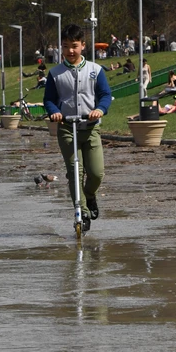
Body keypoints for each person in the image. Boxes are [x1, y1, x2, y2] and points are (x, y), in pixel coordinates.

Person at [44, 24, 113, 232]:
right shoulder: (55, 74)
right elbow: (49, 100)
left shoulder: (96, 70)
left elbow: (105, 95)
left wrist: (100, 110)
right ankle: (81, 212)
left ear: (83, 46)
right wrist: (54, 112)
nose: (70, 51)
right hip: (66, 128)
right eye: (65, 47)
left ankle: (89, 195)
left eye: (74, 46)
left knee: (96, 173)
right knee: (75, 171)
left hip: (90, 128)